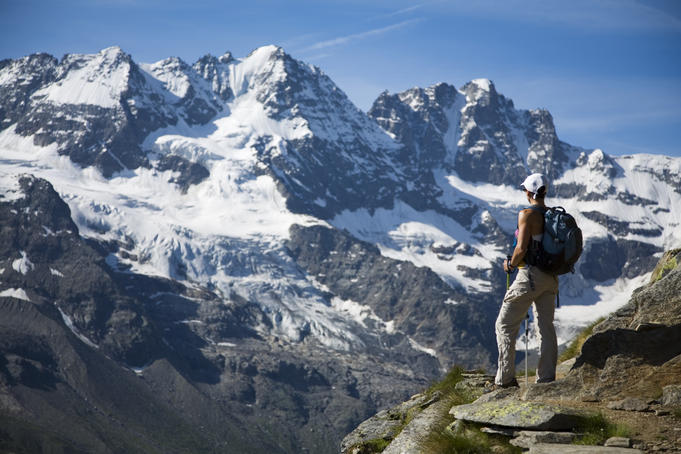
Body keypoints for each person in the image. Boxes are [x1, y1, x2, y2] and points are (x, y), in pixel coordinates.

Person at [493, 173, 558, 388]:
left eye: (524, 190)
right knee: (545, 327)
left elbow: (521, 248)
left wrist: (510, 264)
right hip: (550, 277)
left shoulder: (527, 214)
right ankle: (546, 380)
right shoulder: (551, 214)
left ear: (529, 192)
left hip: (529, 276)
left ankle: (505, 379)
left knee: (504, 324)